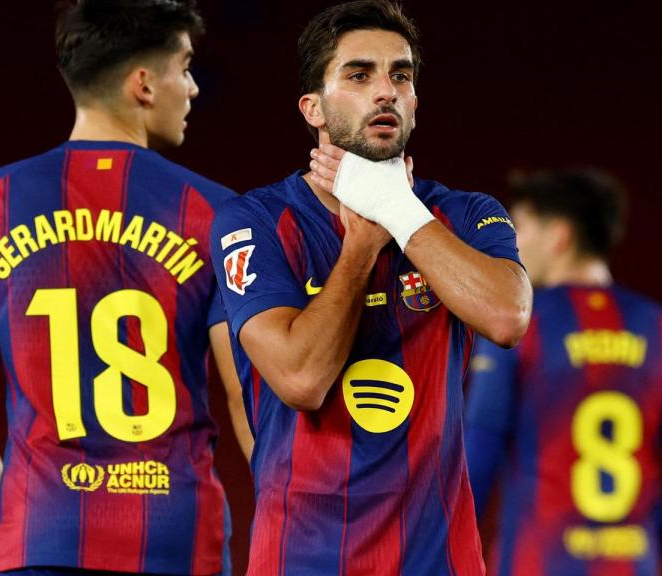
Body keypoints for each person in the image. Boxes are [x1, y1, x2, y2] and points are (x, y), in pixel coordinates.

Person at [0, 1, 249, 574]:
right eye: (184, 67)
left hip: (37, 535)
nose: (193, 87)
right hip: (176, 540)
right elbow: (245, 396)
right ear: (143, 84)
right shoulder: (215, 211)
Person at [209, 1, 533, 574]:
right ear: (313, 108)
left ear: (415, 102)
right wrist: (361, 245)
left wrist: (396, 209)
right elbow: (301, 379)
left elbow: (507, 318)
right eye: (359, 75)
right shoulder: (254, 221)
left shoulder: (465, 212)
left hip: (437, 560)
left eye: (400, 76)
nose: (386, 91)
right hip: (302, 559)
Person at [464, 169, 662, 575]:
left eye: (522, 228)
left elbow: (475, 462)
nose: (513, 243)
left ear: (559, 236)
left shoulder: (517, 327)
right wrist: (649, 545)